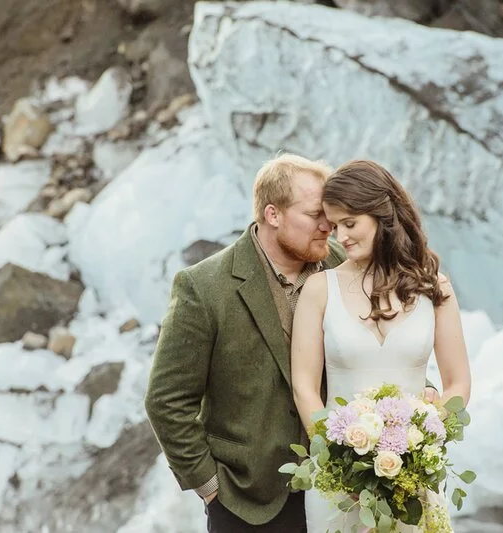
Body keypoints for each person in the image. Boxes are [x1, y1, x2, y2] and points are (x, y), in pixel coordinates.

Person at [144, 153, 440, 533]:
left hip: (343, 491)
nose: (328, 227)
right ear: (273, 215)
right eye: (316, 215)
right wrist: (208, 483)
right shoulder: (204, 288)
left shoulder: (344, 266)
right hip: (248, 500)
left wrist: (419, 393)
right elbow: (166, 399)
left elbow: (374, 346)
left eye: (331, 217)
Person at [291, 159, 472, 533]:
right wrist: (340, 459)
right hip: (337, 483)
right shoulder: (319, 289)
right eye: (335, 225)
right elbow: (304, 388)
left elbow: (457, 383)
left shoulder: (433, 287)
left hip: (413, 481)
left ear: (381, 214)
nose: (340, 237)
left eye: (350, 223)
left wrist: (424, 443)